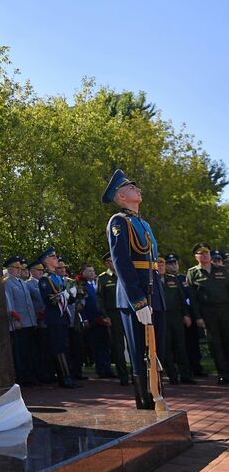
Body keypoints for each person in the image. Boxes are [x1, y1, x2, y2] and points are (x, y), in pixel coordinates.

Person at [102, 169, 166, 410]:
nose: (137, 189)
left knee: (156, 349)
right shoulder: (118, 221)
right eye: (130, 187)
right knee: (140, 351)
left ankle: (159, 401)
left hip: (154, 288)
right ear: (120, 196)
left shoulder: (143, 223)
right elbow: (121, 261)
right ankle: (145, 405)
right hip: (135, 294)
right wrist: (137, 300)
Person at [186, 242, 229, 386]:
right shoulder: (192, 273)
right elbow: (193, 298)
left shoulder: (222, 270)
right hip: (208, 312)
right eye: (201, 253)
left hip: (225, 310)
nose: (205, 255)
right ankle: (223, 374)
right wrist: (198, 317)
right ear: (196, 257)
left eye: (207, 253)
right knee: (215, 344)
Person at [36, 248, 77, 388]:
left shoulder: (59, 278)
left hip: (63, 316)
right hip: (54, 317)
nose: (56, 259)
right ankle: (64, 377)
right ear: (46, 261)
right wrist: (61, 296)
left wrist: (71, 296)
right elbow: (47, 299)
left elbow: (69, 299)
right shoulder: (44, 279)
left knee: (65, 346)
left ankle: (68, 376)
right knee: (58, 347)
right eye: (53, 257)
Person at [157, 255, 194, 384]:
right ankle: (172, 376)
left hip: (176, 315)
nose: (161, 267)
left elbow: (181, 298)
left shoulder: (172, 279)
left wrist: (186, 314)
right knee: (167, 347)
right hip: (162, 316)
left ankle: (186, 375)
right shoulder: (152, 281)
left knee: (181, 346)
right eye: (159, 265)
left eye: (162, 265)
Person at [3, 255, 38, 385]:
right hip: (19, 323)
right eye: (16, 267)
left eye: (19, 268)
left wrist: (33, 320)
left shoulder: (22, 282)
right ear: (10, 269)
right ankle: (22, 377)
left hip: (28, 322)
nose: (19, 270)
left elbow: (29, 303)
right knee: (20, 352)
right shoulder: (7, 283)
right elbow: (9, 303)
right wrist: (14, 320)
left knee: (29, 351)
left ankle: (29, 375)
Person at [96, 252, 130, 385]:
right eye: (110, 261)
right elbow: (100, 299)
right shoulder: (103, 278)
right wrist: (104, 316)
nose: (113, 263)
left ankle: (137, 375)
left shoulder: (125, 274)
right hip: (113, 315)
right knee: (118, 347)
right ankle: (124, 377)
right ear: (107, 264)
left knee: (133, 345)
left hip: (127, 313)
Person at [78, 262, 114, 378]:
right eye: (89, 271)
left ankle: (108, 369)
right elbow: (81, 304)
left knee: (106, 345)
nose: (92, 273)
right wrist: (84, 319)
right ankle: (101, 370)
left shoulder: (98, 282)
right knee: (96, 346)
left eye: (93, 271)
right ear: (83, 273)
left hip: (103, 319)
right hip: (92, 320)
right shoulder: (81, 286)